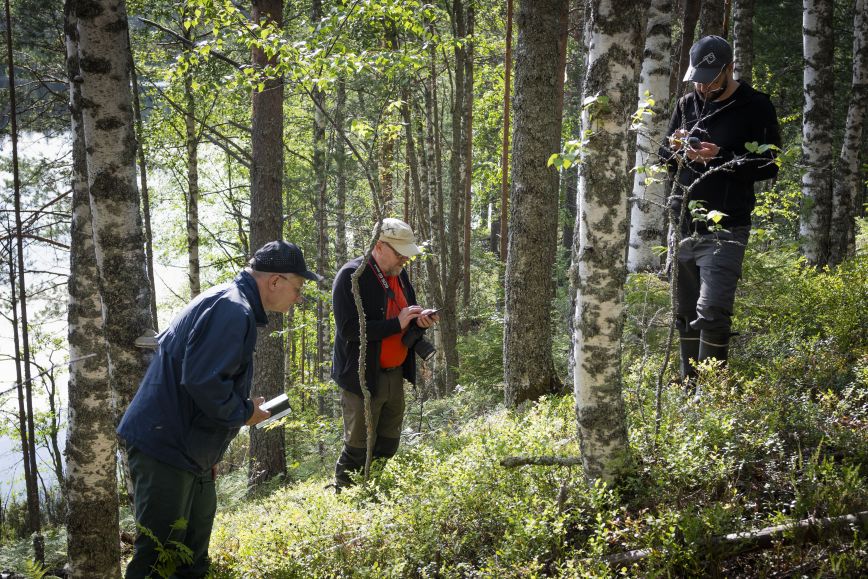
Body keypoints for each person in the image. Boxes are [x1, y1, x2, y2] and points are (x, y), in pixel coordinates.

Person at [118, 241, 321, 578]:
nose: (298, 298)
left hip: (189, 451)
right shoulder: (232, 309)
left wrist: (209, 453)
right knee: (159, 559)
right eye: (297, 288)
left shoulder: (230, 302)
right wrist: (244, 412)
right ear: (275, 281)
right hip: (166, 447)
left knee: (191, 558)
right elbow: (202, 382)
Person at [659, 35, 781, 388]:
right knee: (684, 312)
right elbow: (663, 158)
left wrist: (719, 158)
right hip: (683, 222)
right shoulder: (686, 103)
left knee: (711, 311)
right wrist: (678, 149)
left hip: (727, 226)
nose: (703, 84)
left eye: (711, 76)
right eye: (697, 76)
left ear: (728, 69)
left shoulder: (756, 106)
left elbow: (769, 165)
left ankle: (711, 394)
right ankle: (688, 385)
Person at [331, 218, 439, 490]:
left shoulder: (398, 273)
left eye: (406, 253)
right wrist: (396, 323)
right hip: (363, 379)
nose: (404, 258)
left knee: (388, 443)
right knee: (357, 447)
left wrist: (418, 319)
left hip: (395, 374)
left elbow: (404, 313)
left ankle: (373, 491)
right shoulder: (351, 276)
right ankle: (344, 500)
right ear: (379, 246)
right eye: (399, 252)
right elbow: (348, 330)